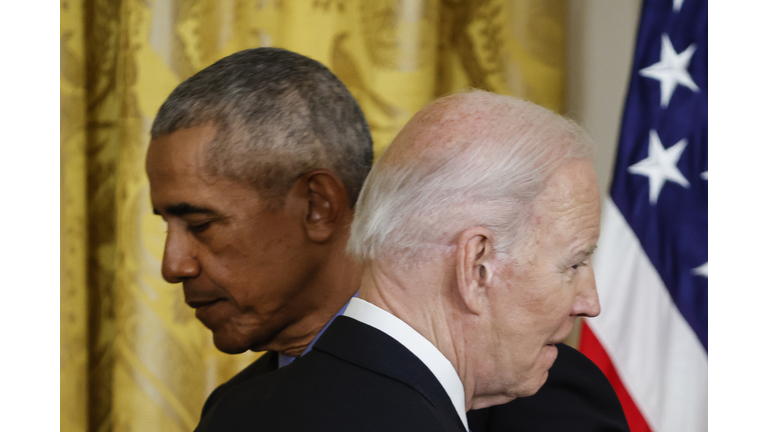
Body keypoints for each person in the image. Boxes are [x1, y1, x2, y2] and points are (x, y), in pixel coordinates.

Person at [146, 48, 628, 431]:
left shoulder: (537, 388)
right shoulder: (235, 411)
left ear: (319, 205)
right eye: (573, 264)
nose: (174, 264)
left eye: (201, 223)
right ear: (474, 263)